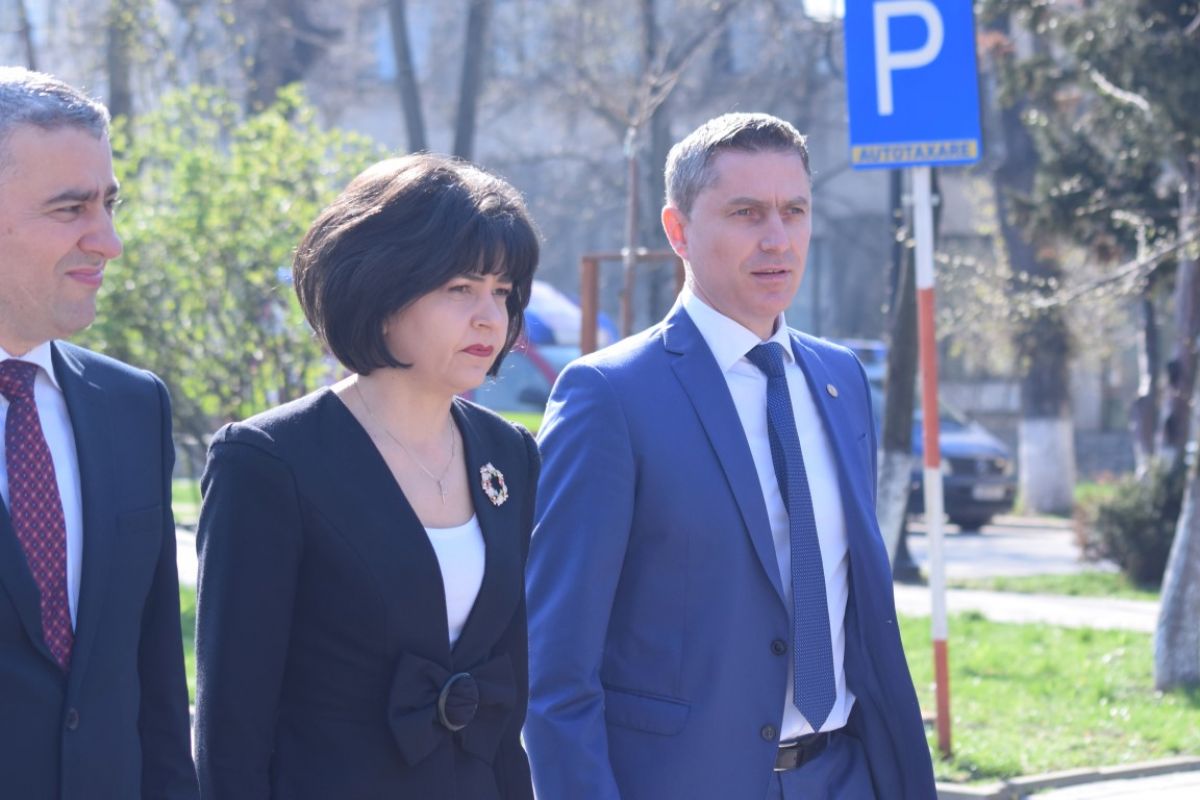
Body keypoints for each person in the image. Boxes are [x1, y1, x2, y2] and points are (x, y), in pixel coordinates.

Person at [525, 113, 937, 799]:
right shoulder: (610, 396)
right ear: (678, 229)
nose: (777, 238)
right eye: (746, 213)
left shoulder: (840, 381)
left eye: (793, 211)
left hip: (843, 777)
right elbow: (555, 667)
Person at [194, 153, 541, 800]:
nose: (490, 318)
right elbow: (231, 729)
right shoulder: (268, 461)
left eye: (502, 291)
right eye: (460, 288)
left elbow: (505, 702)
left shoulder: (509, 454)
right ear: (382, 291)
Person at [0, 68, 199, 799]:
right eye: (70, 208)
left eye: (109, 204)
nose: (109, 241)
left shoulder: (133, 406)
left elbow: (156, 684)